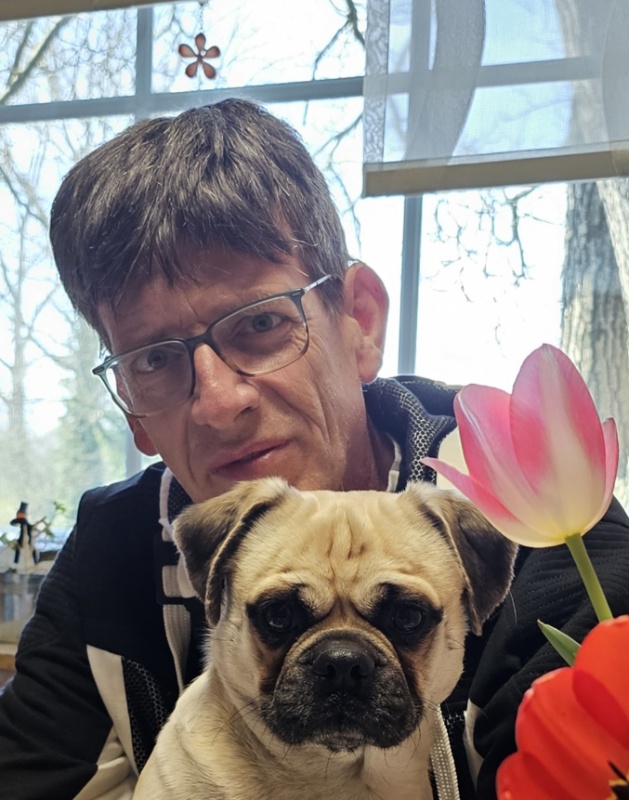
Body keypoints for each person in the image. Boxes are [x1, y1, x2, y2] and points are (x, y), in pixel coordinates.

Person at [0, 98, 628, 800]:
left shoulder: (535, 518)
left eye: (260, 324)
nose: (218, 400)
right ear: (131, 410)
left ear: (359, 322)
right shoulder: (109, 553)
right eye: (154, 359)